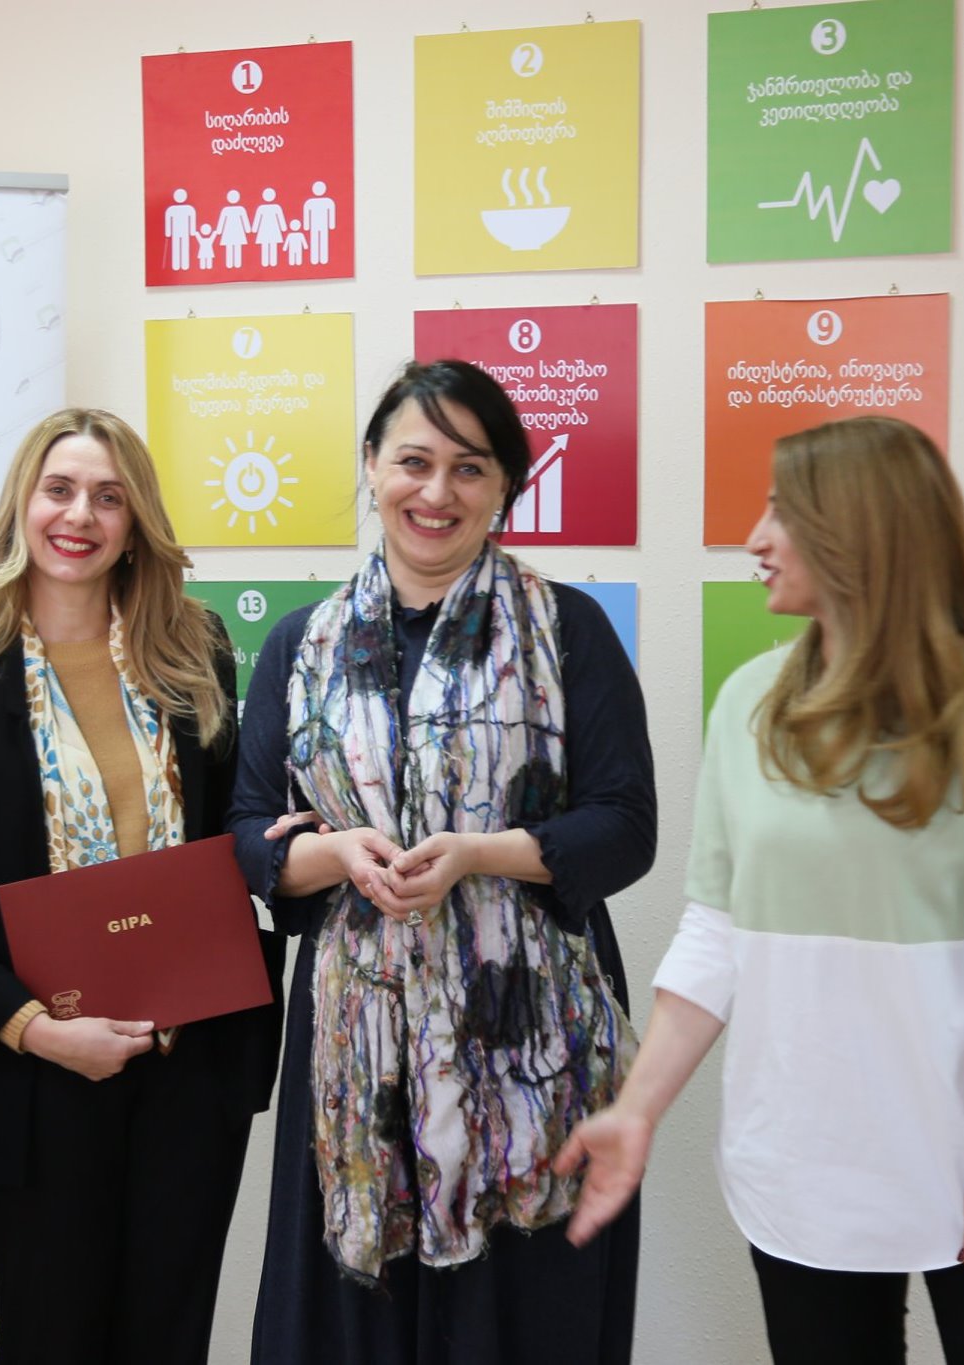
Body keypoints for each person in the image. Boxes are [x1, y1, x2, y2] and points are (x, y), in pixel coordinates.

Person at [559, 416, 964, 1364]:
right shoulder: (750, 702)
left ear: (862, 529)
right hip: (807, 1155)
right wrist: (635, 1110)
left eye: (784, 513)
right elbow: (714, 934)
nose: (756, 539)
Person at [231, 360, 658, 1364]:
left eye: (468, 468)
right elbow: (248, 836)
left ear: (505, 485)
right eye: (413, 462)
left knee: (521, 1323)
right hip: (354, 1057)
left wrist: (477, 855)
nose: (436, 492)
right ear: (371, 466)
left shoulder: (568, 630)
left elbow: (625, 825)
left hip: (530, 1052)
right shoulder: (301, 644)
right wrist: (336, 853)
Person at [0, 408, 284, 1365]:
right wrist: (34, 1029)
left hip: (187, 1068)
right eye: (58, 490)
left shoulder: (194, 658)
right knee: (51, 1336)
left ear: (135, 523)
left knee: (168, 1338)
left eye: (109, 497)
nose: (80, 515)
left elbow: (229, 837)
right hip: (34, 1071)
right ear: (21, 506)